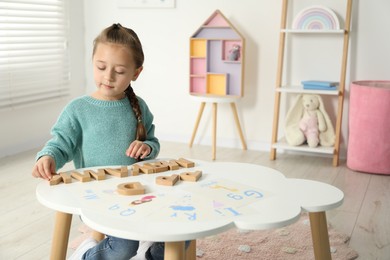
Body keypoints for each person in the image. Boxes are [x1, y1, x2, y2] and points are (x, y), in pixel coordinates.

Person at [32, 23, 163, 260]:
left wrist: (147, 147)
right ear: (92, 62)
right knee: (125, 246)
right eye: (101, 67)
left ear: (136, 72)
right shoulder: (79, 109)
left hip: (135, 195)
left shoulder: (139, 107)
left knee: (179, 234)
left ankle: (149, 255)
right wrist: (48, 156)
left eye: (119, 71)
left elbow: (152, 143)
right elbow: (61, 143)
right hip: (94, 196)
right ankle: (86, 254)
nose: (108, 76)